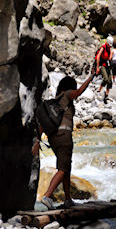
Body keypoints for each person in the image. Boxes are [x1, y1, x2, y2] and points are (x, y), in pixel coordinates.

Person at [32, 74, 95, 210]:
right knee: (62, 169)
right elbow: (79, 92)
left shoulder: (56, 101)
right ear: (69, 87)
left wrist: (38, 141)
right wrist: (91, 77)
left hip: (53, 138)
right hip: (64, 137)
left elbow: (43, 124)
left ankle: (67, 199)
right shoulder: (67, 95)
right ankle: (47, 196)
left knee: (66, 166)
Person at [95, 36, 114, 104]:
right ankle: (98, 91)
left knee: (109, 81)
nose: (110, 46)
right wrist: (97, 67)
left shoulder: (109, 49)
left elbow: (109, 58)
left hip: (108, 66)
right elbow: (98, 57)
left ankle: (106, 95)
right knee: (105, 78)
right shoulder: (103, 47)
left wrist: (111, 56)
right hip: (102, 65)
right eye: (109, 45)